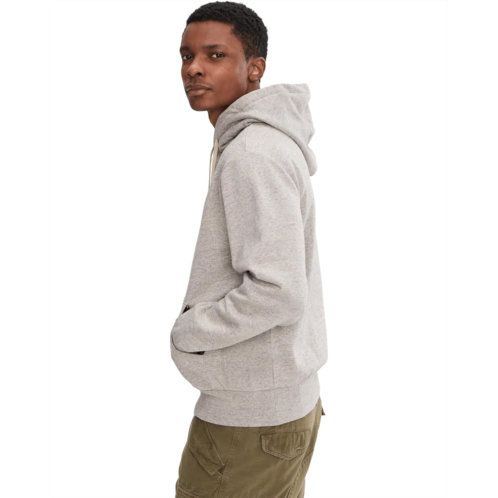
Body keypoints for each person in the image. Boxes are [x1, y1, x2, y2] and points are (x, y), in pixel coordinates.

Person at [170, 2, 328, 496]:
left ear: (254, 68)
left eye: (215, 55)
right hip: (277, 407)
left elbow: (278, 291)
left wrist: (191, 331)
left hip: (249, 422)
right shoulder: (257, 143)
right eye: (187, 55)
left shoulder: (253, 154)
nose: (194, 68)